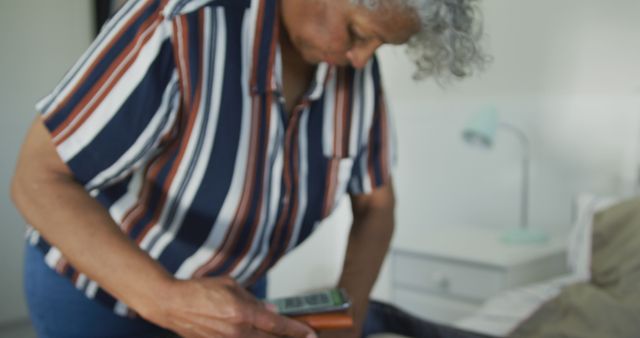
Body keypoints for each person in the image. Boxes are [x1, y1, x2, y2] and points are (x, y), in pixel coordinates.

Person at [11, 0, 485, 337]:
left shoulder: (352, 74)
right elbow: (36, 178)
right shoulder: (179, 26)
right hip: (99, 295)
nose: (362, 60)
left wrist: (350, 316)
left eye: (379, 46)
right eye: (359, 32)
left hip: (234, 294)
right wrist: (169, 300)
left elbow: (377, 206)